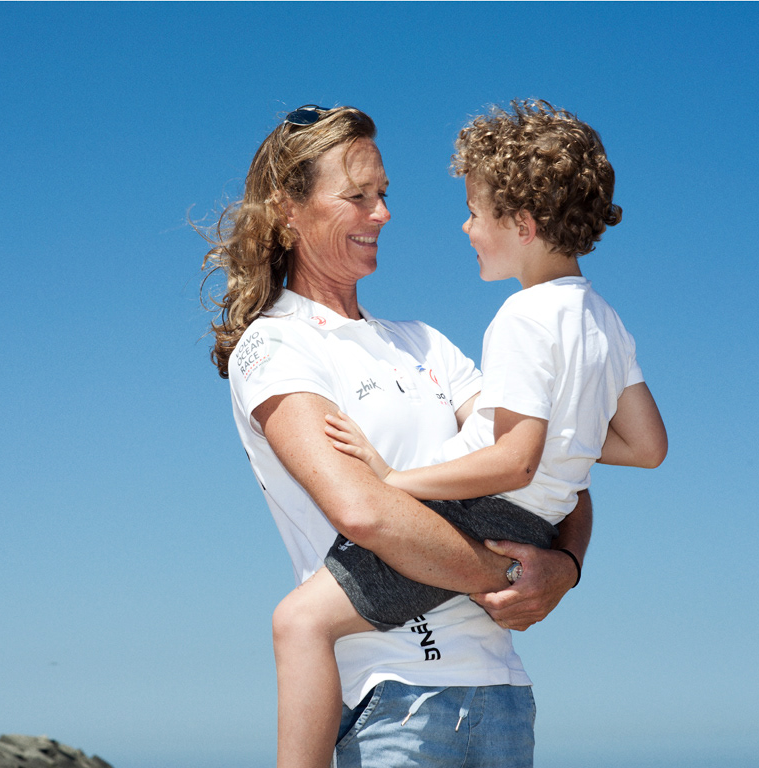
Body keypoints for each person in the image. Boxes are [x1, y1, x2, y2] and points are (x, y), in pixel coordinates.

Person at [269, 99, 669, 768]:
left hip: (478, 514)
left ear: (523, 223)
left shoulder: (520, 317)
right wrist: (564, 439)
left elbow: (511, 461)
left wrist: (396, 480)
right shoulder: (605, 320)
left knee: (299, 623)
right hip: (542, 525)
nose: (465, 227)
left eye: (476, 213)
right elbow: (647, 447)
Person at [200, 104, 592, 768]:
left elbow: (553, 470)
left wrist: (570, 567)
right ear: (289, 210)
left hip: (503, 697)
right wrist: (520, 573)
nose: (381, 213)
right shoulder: (275, 347)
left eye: (382, 195)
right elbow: (364, 511)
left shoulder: (429, 344)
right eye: (357, 196)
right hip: (393, 704)